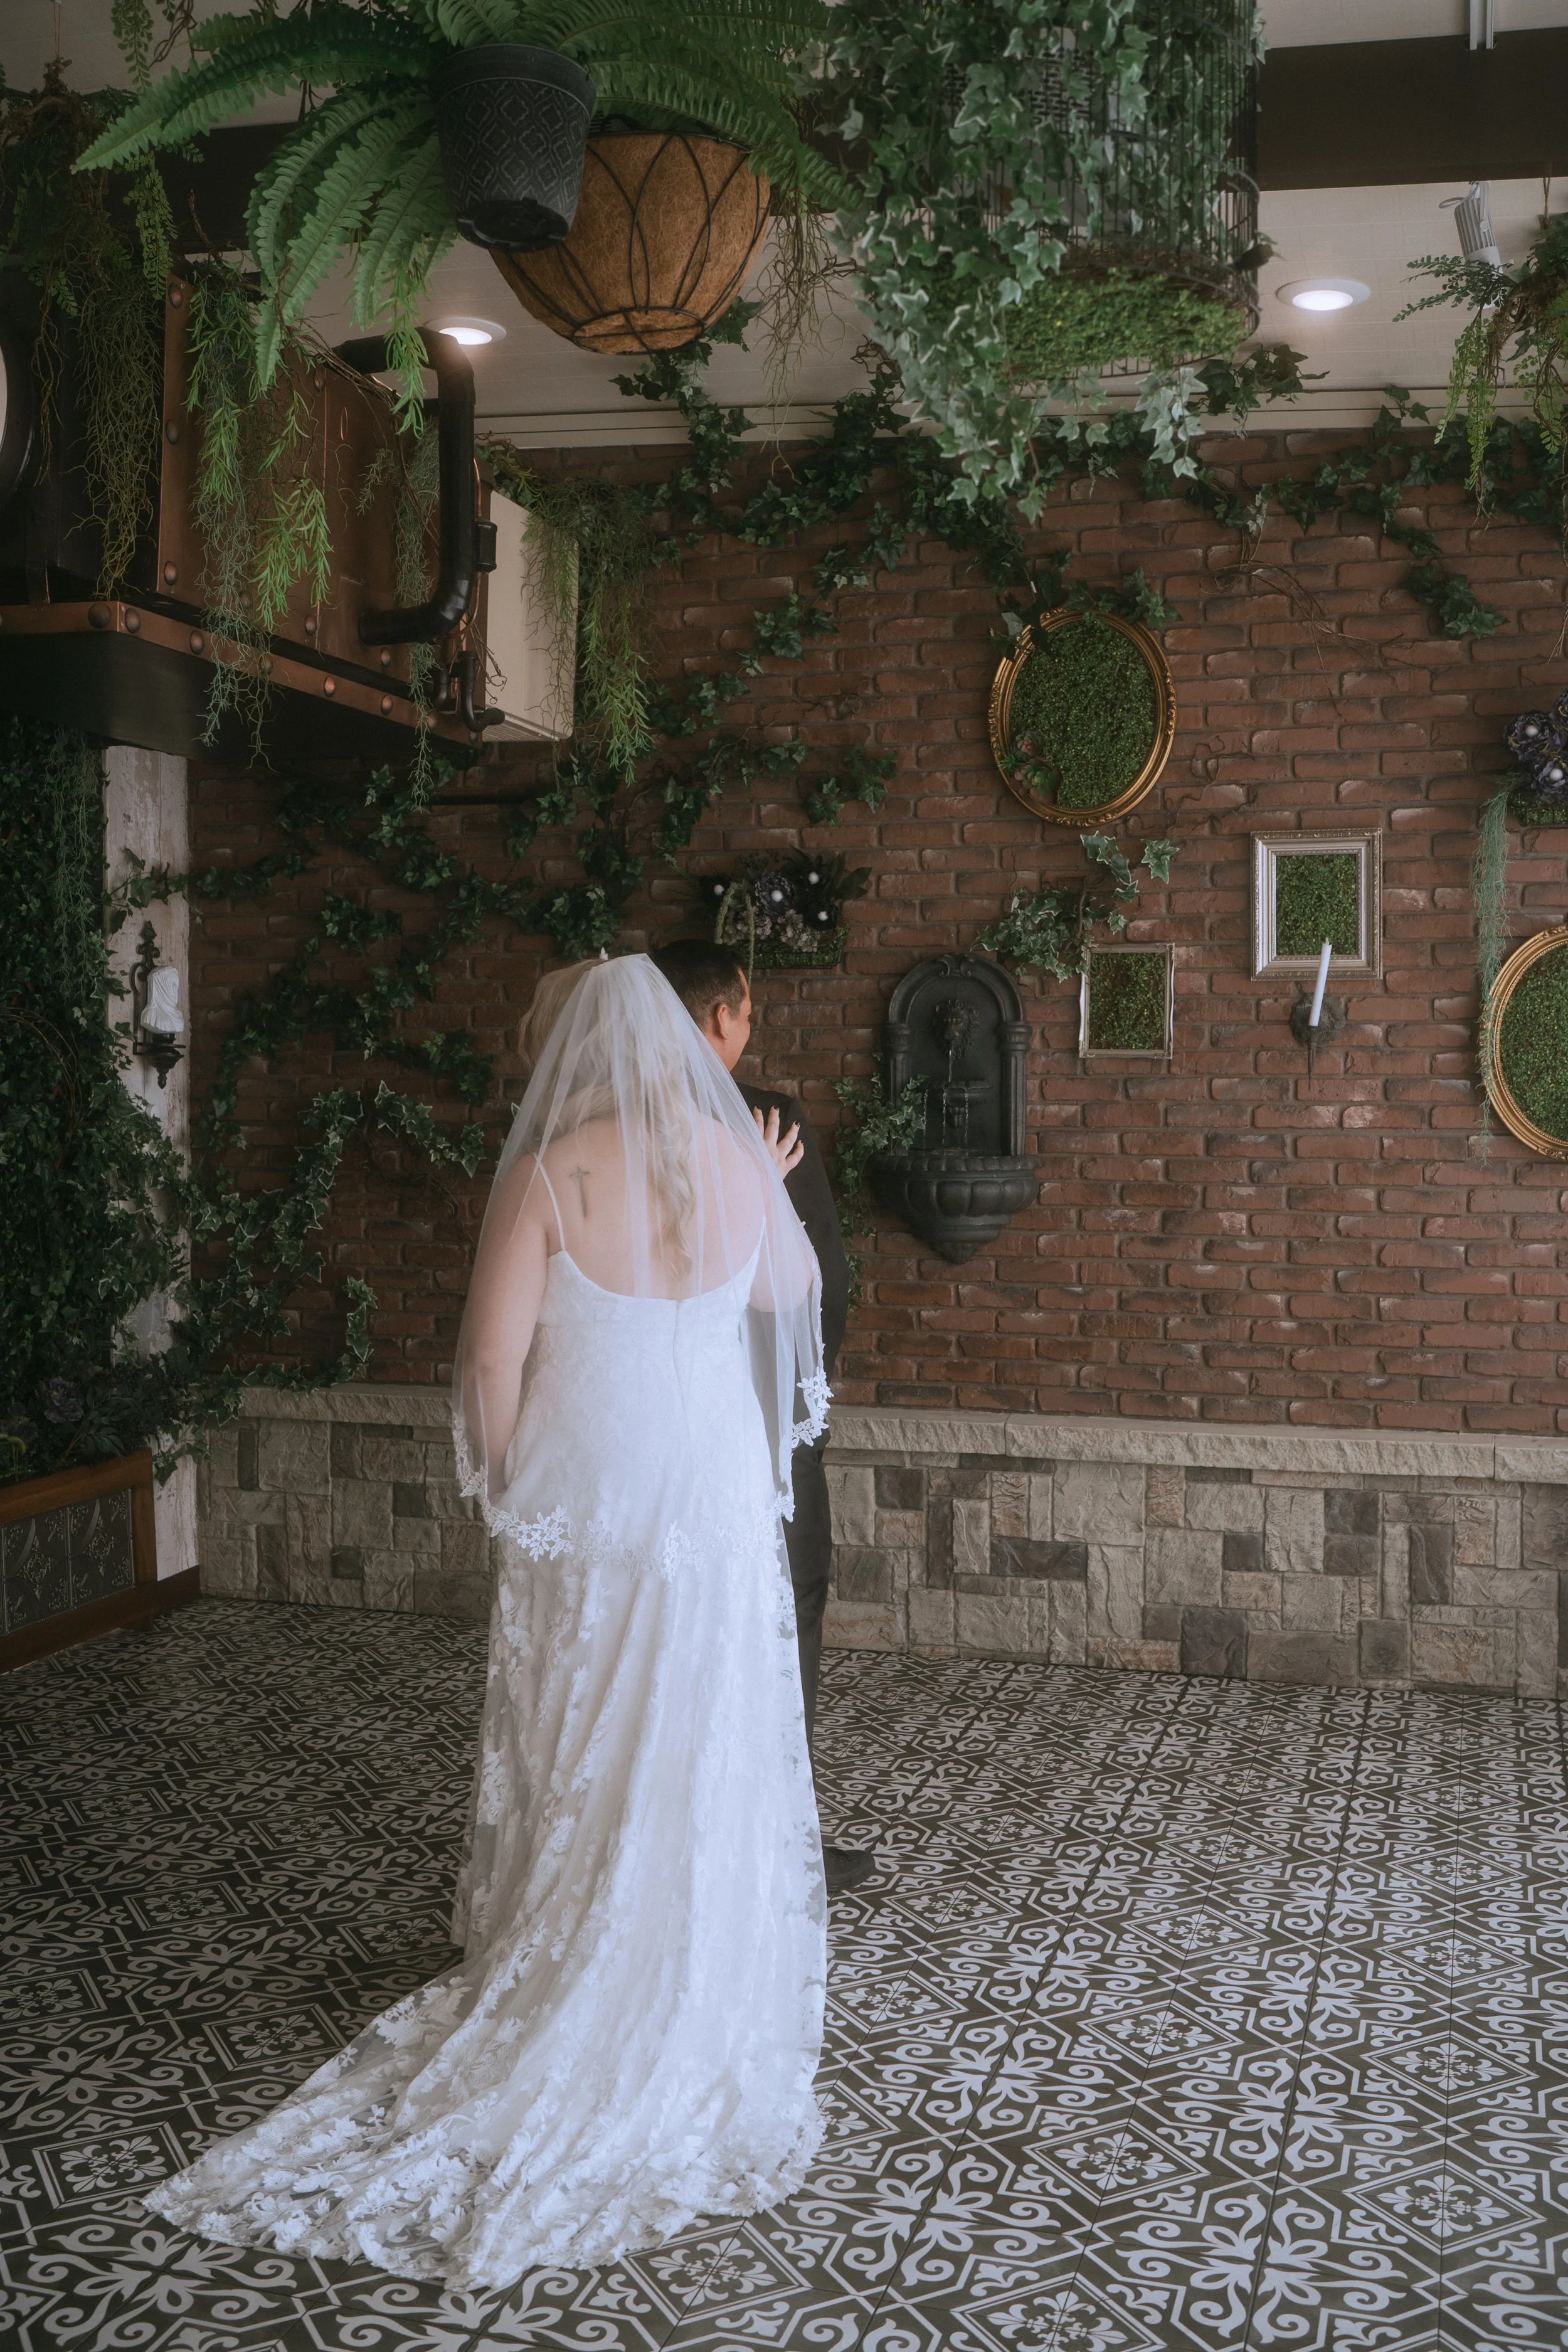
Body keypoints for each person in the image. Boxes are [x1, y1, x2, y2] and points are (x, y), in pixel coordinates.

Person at [144, 955, 829, 2287]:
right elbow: (783, 1302)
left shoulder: (551, 1173)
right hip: (709, 1485)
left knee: (582, 1714)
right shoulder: (734, 1154)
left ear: (570, 1050)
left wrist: (508, 1484)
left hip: (598, 1487)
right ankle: (691, 1974)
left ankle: (574, 1953)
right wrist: (763, 1175)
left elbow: (487, 1360)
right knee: (704, 1712)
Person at [649, 940, 874, 1899]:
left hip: (650, 1418)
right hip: (766, 1419)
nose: (751, 1024)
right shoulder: (763, 1118)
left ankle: (672, 1842)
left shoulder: (610, 1120)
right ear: (721, 1016)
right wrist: (810, 1395)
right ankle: (782, 1836)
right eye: (745, 1008)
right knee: (792, 1608)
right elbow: (819, 1280)